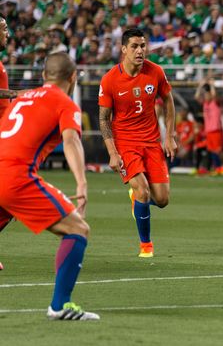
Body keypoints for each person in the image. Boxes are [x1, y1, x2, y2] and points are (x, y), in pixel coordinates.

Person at [0, 52, 99, 320]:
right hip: (13, 176)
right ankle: (60, 306)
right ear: (73, 78)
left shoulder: (22, 98)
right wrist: (82, 181)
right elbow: (71, 141)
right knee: (78, 228)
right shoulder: (64, 103)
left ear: (44, 76)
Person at [99, 28, 177, 258]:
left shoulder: (156, 72)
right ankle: (146, 246)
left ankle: (138, 200)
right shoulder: (110, 79)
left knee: (162, 200)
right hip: (125, 143)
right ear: (124, 49)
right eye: (134, 46)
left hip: (151, 142)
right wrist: (112, 153)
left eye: (143, 46)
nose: (140, 50)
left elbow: (169, 101)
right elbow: (104, 119)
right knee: (143, 190)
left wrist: (170, 136)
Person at [194, 78, 223, 176]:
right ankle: (217, 168)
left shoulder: (215, 102)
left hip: (216, 130)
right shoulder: (205, 103)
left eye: (207, 94)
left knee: (219, 150)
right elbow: (196, 97)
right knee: (211, 150)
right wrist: (200, 86)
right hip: (209, 130)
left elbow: (215, 95)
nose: (205, 96)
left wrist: (212, 85)